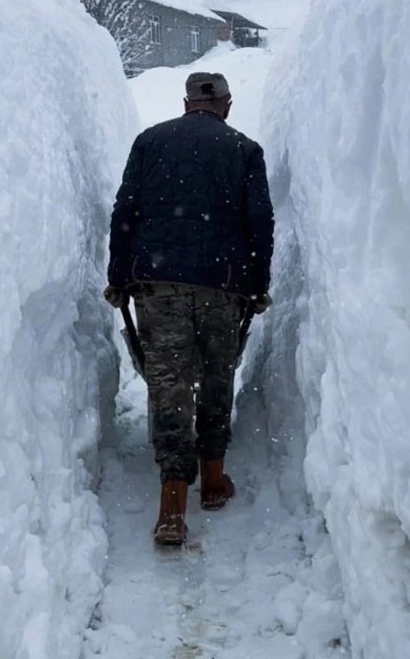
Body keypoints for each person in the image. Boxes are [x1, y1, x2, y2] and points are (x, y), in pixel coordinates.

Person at [103, 72, 275, 546]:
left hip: (156, 282)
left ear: (185, 103)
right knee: (218, 375)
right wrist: (258, 283)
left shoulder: (150, 142)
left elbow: (125, 211)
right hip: (223, 284)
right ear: (227, 104)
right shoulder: (244, 149)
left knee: (168, 386)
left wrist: (119, 276)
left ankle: (172, 507)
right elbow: (259, 220)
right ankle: (214, 480)